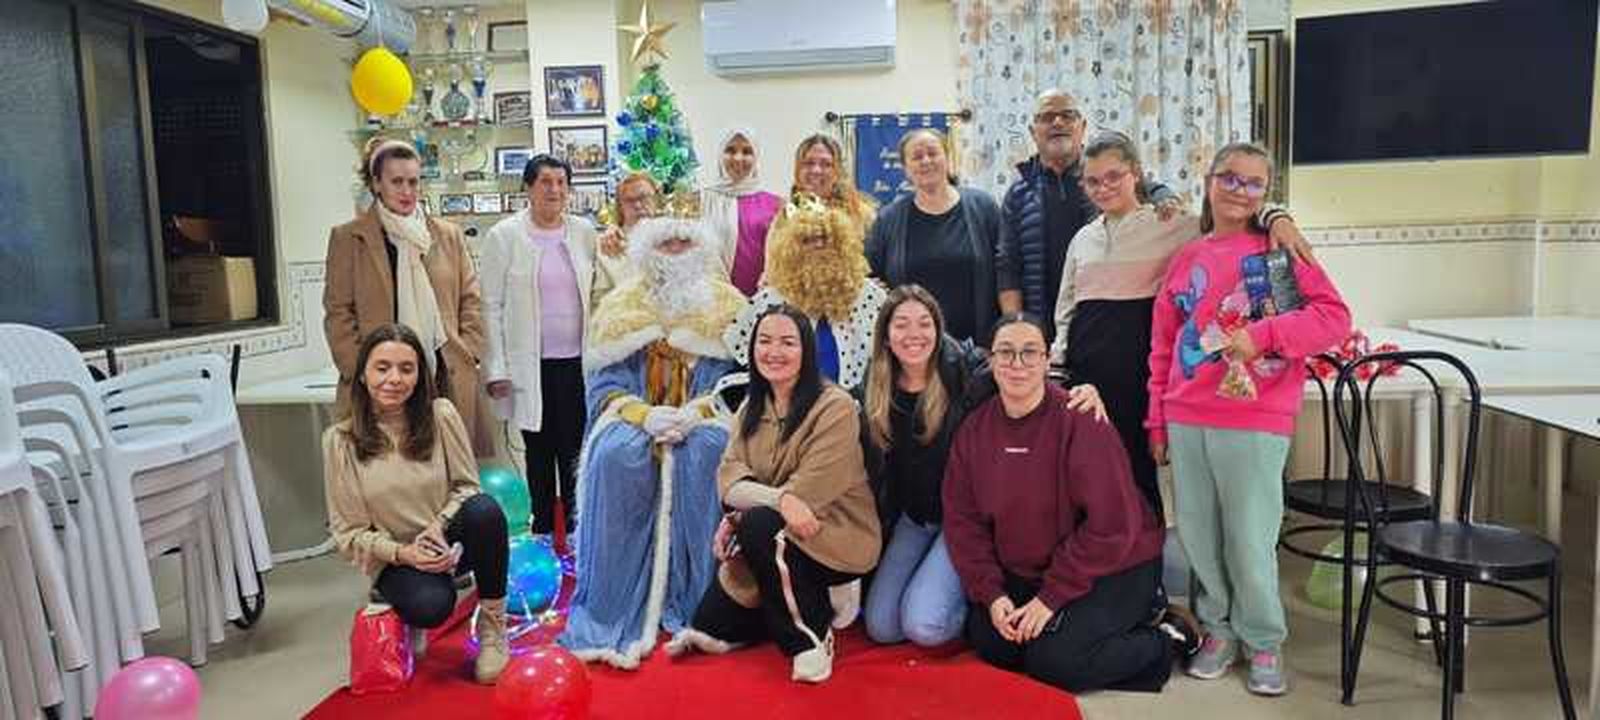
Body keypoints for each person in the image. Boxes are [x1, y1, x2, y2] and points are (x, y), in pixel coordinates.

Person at [1146, 142, 1351, 696]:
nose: (1239, 190)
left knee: (1249, 539)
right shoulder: (1186, 259)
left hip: (1255, 417)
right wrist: (1156, 420)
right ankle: (1217, 631)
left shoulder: (1279, 250)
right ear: (1208, 181)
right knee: (1199, 536)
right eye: (1229, 178)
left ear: (1267, 192)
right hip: (1186, 416)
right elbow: (1163, 345)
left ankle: (1262, 640)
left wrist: (1262, 336)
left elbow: (1333, 319)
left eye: (1253, 182)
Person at [943, 313, 1198, 695]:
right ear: (990, 360)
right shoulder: (975, 430)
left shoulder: (1080, 419)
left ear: (1047, 360)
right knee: (994, 642)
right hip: (1034, 564)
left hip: (1115, 562)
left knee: (1056, 662)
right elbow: (964, 523)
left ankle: (1167, 637)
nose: (1017, 363)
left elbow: (1111, 527)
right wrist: (993, 594)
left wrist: (1050, 599)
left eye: (1030, 352)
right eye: (1006, 352)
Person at [859, 287, 1107, 648]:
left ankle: (974, 615)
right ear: (885, 334)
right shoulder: (876, 381)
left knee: (923, 627)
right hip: (915, 518)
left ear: (938, 327)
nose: (914, 334)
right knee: (883, 628)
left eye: (924, 323)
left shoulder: (966, 368)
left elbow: (1022, 373)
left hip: (961, 518)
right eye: (901, 325)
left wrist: (1080, 392)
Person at [559, 207, 749, 668]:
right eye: (667, 243)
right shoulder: (621, 305)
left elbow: (738, 382)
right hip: (634, 414)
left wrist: (697, 412)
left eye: (686, 242)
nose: (676, 251)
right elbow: (603, 386)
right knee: (617, 456)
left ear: (702, 248)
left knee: (706, 451)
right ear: (648, 250)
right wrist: (643, 415)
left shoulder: (728, 305)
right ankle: (613, 602)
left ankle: (704, 597)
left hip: (704, 415)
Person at [996, 89, 1313, 343]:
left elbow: (1226, 214)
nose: (1057, 122)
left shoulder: (1146, 200)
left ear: (1083, 127)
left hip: (1140, 338)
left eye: (1067, 115)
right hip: (1050, 333)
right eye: (1046, 117)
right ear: (1033, 131)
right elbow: (1008, 266)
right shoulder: (1021, 196)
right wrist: (1019, 330)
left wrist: (1275, 216)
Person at [669, 306, 881, 684]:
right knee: (711, 625)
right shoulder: (751, 406)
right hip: (775, 528)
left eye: (787, 343)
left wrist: (754, 507)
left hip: (835, 531)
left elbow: (807, 495)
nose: (774, 352)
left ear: (806, 351)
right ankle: (803, 595)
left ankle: (809, 638)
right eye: (764, 342)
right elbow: (729, 481)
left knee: (761, 525)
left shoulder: (835, 407)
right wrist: (747, 511)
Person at [322, 323, 511, 684]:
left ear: (420, 376)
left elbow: (467, 487)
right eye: (382, 368)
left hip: (444, 536)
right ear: (362, 375)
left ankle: (493, 629)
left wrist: (439, 527)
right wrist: (405, 554)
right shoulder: (340, 441)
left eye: (406, 369)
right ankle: (396, 599)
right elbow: (348, 534)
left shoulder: (441, 415)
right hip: (395, 555)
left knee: (485, 511)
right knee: (431, 607)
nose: (394, 379)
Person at [1050, 131, 1201, 519]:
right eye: (1093, 181)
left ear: (1136, 173)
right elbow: (1066, 308)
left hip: (1140, 375)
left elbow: (1232, 221)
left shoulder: (1172, 224)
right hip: (1086, 377)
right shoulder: (1082, 239)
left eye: (1113, 176)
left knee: (1140, 473)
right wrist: (1058, 364)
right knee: (1090, 473)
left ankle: (1145, 553)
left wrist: (1275, 216)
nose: (1103, 188)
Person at [324, 137, 490, 454]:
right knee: (387, 468)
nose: (407, 191)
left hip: (443, 375)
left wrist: (469, 350)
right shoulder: (348, 238)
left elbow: (471, 300)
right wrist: (362, 371)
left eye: (413, 182)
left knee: (449, 467)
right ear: (377, 183)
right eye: (396, 182)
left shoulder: (447, 235)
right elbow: (338, 313)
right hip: (380, 383)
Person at [481, 154, 617, 536]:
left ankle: (577, 536)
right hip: (530, 368)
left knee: (575, 452)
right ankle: (542, 531)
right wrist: (496, 368)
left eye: (561, 183)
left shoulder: (584, 232)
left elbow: (602, 290)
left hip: (577, 365)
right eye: (545, 182)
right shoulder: (504, 236)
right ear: (528, 187)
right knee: (539, 455)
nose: (554, 190)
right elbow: (489, 306)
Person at [726, 193, 887, 391]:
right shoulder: (770, 300)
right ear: (791, 249)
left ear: (842, 244)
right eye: (807, 240)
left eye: (825, 238)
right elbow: (742, 367)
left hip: (856, 405)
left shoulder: (870, 296)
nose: (818, 246)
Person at [866, 129, 1004, 345]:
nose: (926, 161)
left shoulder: (983, 207)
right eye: (917, 156)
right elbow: (870, 280)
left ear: (948, 158)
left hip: (978, 349)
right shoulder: (888, 219)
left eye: (933, 153)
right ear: (905, 169)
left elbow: (1006, 271)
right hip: (912, 350)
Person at [703, 128, 783, 297]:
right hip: (711, 301)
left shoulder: (776, 204)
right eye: (730, 150)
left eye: (747, 152)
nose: (738, 158)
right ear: (720, 154)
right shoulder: (701, 200)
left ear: (756, 157)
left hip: (759, 300)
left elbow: (780, 257)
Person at [596, 171, 660, 261]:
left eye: (643, 197)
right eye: (629, 200)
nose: (637, 205)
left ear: (655, 199)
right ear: (620, 207)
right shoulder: (608, 244)